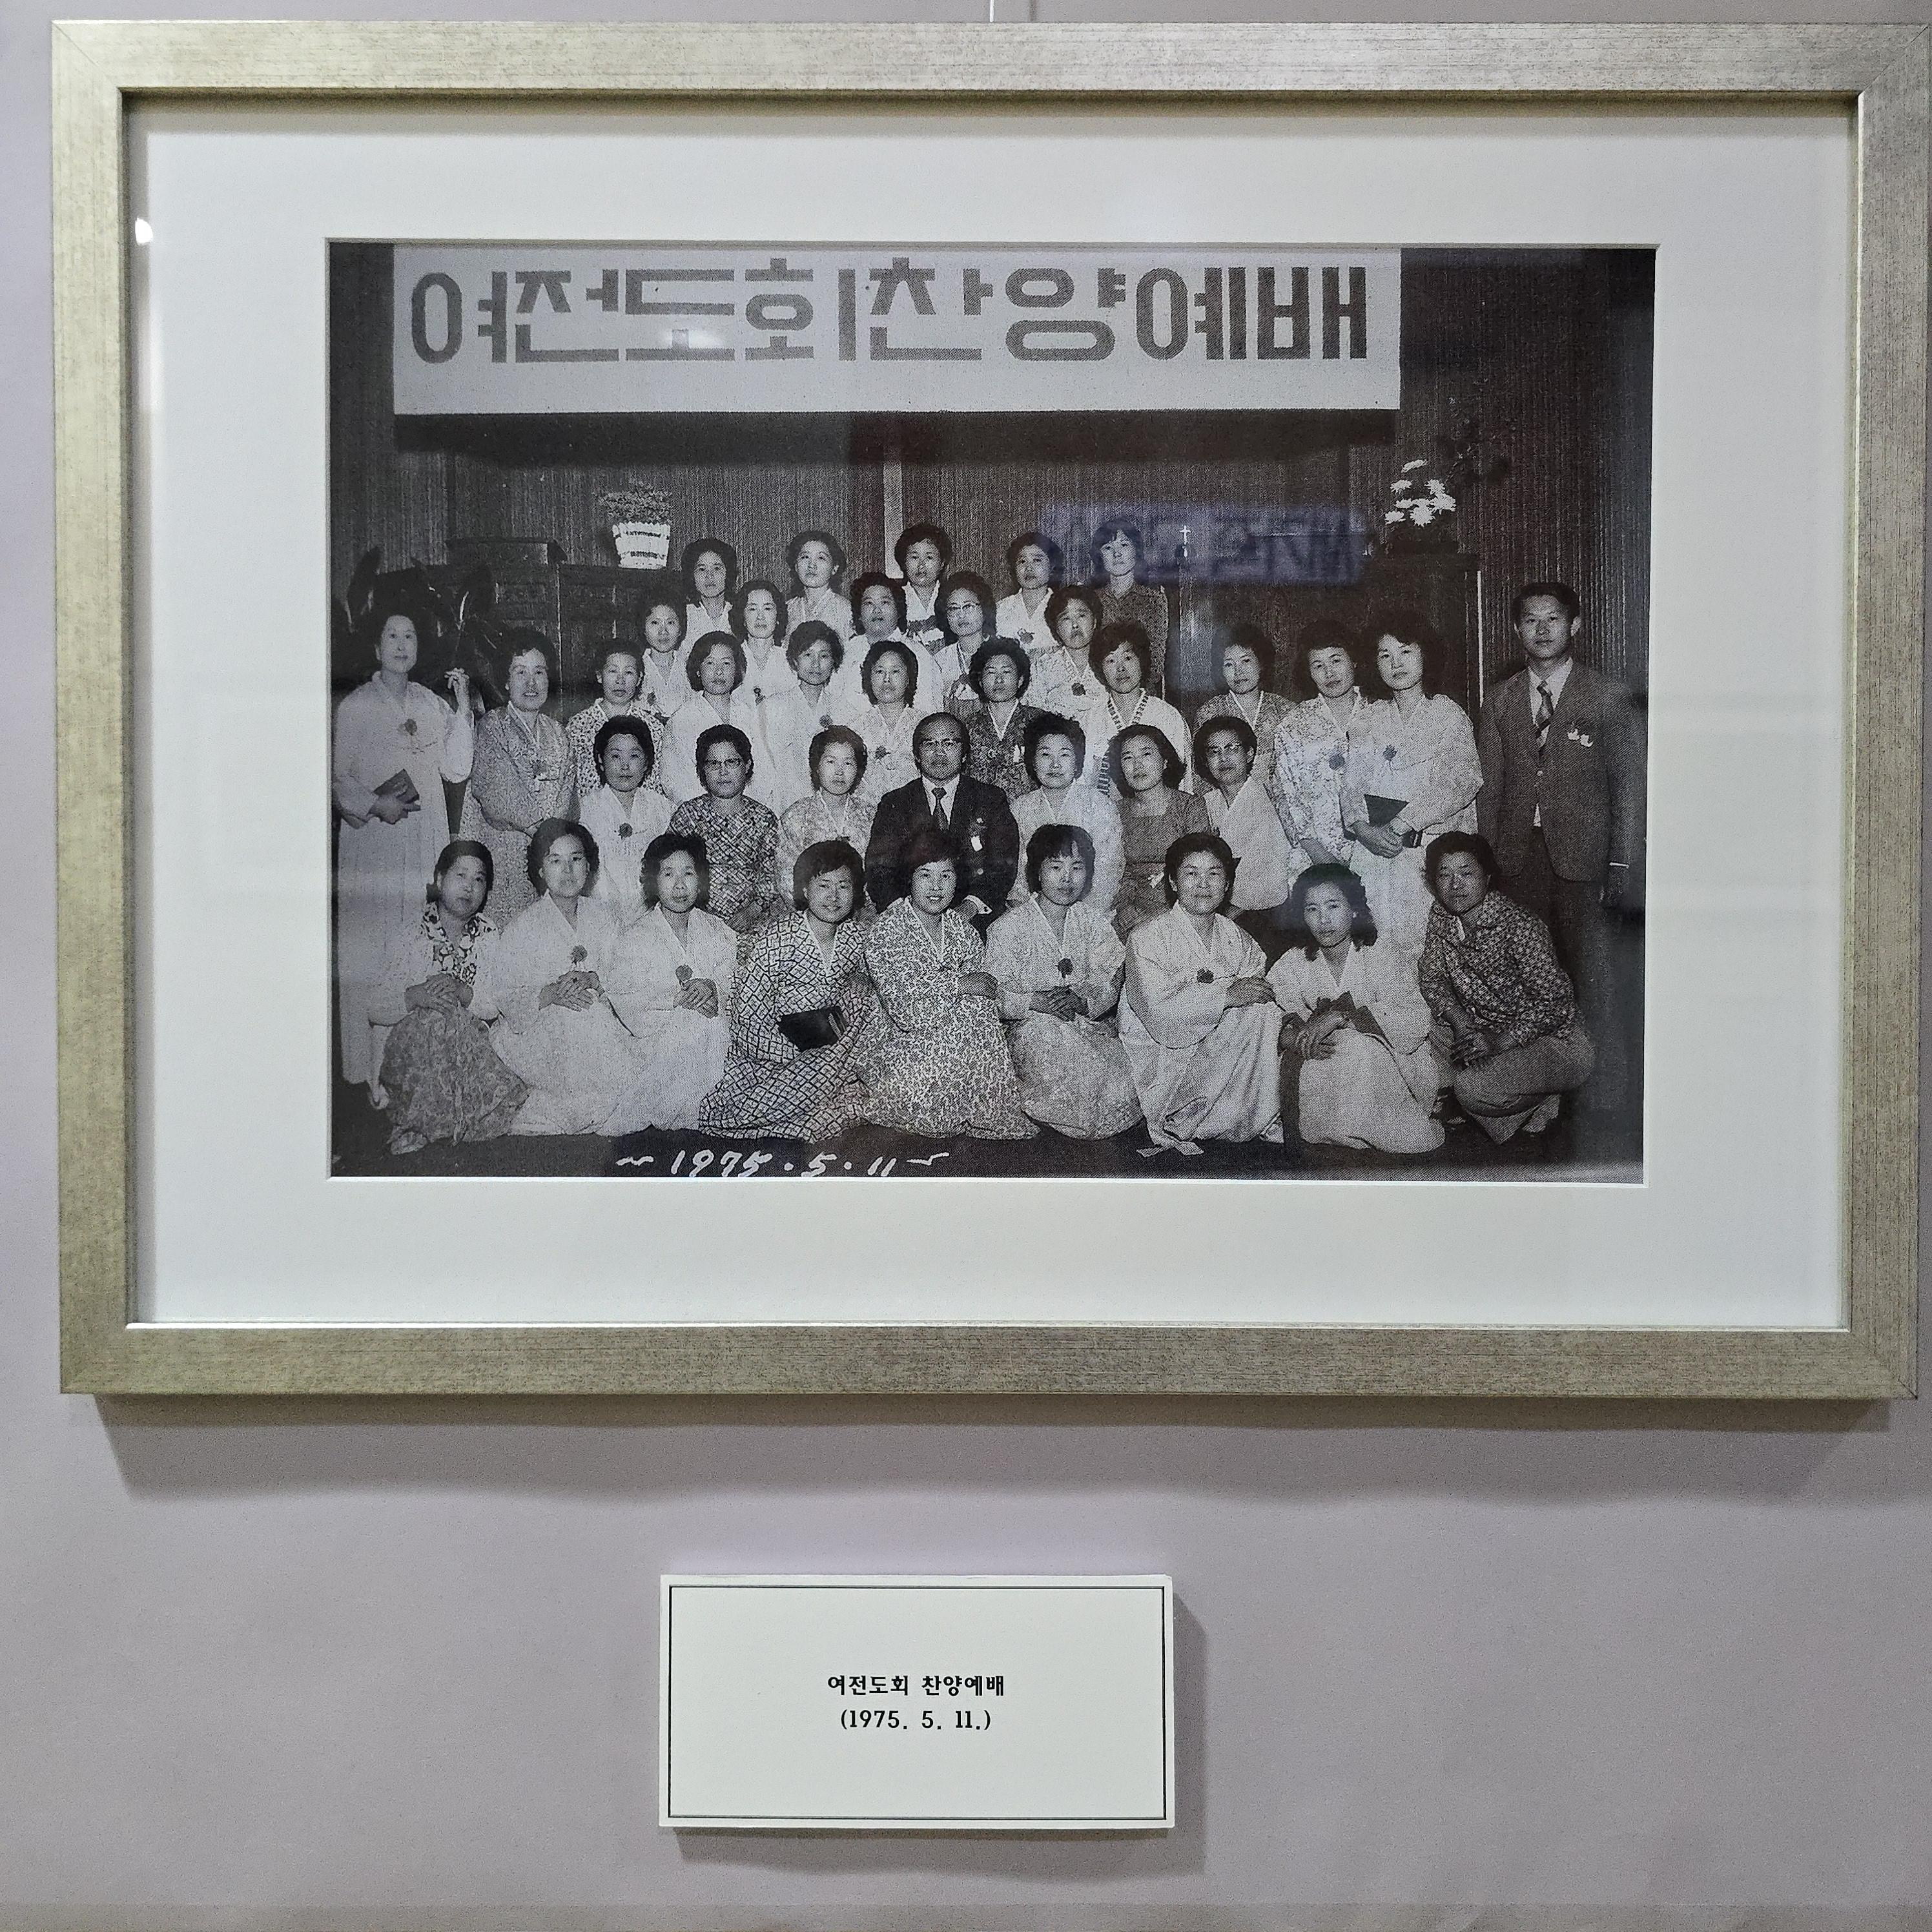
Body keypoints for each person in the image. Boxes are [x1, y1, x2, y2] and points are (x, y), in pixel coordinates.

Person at [1475, 579, 1646, 1108]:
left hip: (1586, 864)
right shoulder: (1500, 699)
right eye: (1531, 620)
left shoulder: (1608, 696)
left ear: (1575, 626)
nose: (1542, 629)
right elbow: (1489, 790)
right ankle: (1536, 1096)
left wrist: (1622, 864)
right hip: (1517, 861)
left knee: (1593, 978)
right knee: (1527, 981)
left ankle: (1606, 1099)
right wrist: (1487, 864)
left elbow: (1630, 787)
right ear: (1516, 630)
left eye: (1553, 619)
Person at [332, 605, 474, 1091]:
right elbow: (338, 778)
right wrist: (376, 804)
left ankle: (416, 1063)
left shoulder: (431, 704)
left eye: (409, 636)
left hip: (422, 840)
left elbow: (456, 768)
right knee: (373, 947)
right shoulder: (355, 706)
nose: (400, 645)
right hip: (375, 843)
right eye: (391, 636)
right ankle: (368, 1073)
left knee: (415, 942)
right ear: (376, 646)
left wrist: (462, 707)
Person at [861, 825, 1036, 1140]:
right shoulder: (886, 930)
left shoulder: (960, 927)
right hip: (903, 1044)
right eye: (925, 875)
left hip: (957, 1040)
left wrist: (971, 990)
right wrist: (960, 985)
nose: (936, 887)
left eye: (946, 875)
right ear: (909, 878)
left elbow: (985, 987)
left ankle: (979, 1105)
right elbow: (905, 1011)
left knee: (980, 1010)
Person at [699, 839, 881, 1141]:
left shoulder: (857, 937)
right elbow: (748, 1016)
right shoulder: (777, 939)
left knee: (867, 1002)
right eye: (824, 886)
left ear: (856, 891)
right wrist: (791, 1055)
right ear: (806, 890)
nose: (834, 897)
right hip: (776, 1056)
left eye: (843, 886)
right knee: (738, 1108)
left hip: (835, 1051)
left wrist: (861, 982)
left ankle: (816, 1102)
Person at [1418, 832, 1594, 1142]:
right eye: (1444, 875)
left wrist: (1499, 1043)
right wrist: (1462, 1024)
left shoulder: (1518, 925)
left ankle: (1542, 1096)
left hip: (1557, 1040)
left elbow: (1556, 1004)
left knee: (1471, 1089)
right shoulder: (1442, 915)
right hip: (1487, 1029)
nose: (1455, 885)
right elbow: (1432, 977)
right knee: (1419, 1025)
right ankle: (1518, 1100)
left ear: (1487, 877)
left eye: (1466, 873)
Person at [477, 819, 647, 1136]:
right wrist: (552, 993)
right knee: (575, 1020)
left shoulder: (607, 917)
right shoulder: (522, 927)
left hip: (602, 1024)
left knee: (594, 1020)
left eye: (576, 859)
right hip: (539, 1030)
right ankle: (565, 1108)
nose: (567, 870)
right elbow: (506, 993)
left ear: (589, 866)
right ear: (541, 870)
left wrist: (595, 980)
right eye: (555, 861)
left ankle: (589, 1107)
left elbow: (628, 975)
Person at [1118, 832, 1284, 1153]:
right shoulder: (1147, 937)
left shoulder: (1236, 937)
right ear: (1173, 882)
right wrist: (1226, 997)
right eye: (1191, 873)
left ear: (1227, 884)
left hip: (1223, 1045)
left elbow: (1256, 989)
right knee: (1248, 1011)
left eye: (1214, 874)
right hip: (1166, 1053)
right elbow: (1157, 1013)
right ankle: (1188, 1115)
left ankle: (1254, 1115)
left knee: (1263, 1012)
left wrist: (1238, 999)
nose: (1203, 884)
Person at [1267, 862, 1443, 1154]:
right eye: (1312, 909)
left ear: (1353, 909)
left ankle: (1375, 1126)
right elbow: (1273, 1016)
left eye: (1333, 906)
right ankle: (1333, 1128)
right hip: (1319, 1062)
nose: (1323, 920)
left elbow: (1414, 1020)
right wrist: (1296, 1038)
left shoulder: (1381, 955)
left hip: (1382, 1065)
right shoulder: (1294, 962)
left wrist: (1343, 1019)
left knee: (1355, 1046)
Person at [364, 839, 526, 1153]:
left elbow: (495, 1004)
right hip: (412, 1052)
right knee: (435, 1017)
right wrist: (416, 996)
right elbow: (375, 1007)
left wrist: (464, 992)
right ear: (439, 880)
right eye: (460, 876)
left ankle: (449, 1117)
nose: (469, 887)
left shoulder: (488, 934)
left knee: (454, 1018)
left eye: (479, 879)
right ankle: (419, 1121)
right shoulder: (411, 932)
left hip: (469, 1049)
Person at [1342, 608, 1482, 961]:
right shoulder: (1368, 719)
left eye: (1405, 651)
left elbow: (1462, 782)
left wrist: (1402, 823)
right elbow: (1352, 785)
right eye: (1385, 655)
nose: (1396, 663)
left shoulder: (1447, 715)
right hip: (1373, 853)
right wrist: (1361, 828)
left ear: (1425, 655)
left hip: (1427, 856)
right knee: (1372, 953)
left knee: (1427, 953)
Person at [984, 824, 1141, 1138]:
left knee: (1128, 1079)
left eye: (1077, 868)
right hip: (1033, 1030)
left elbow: (1112, 977)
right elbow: (995, 995)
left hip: (1086, 1025)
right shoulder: (1007, 927)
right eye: (1056, 867)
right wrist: (1035, 1001)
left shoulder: (1093, 922)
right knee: (1059, 1059)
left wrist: (1083, 1001)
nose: (1067, 878)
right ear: (1037, 871)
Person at [604, 832, 738, 1130]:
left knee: (708, 1027)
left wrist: (714, 990)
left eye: (688, 873)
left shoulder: (716, 929)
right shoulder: (635, 937)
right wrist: (676, 1001)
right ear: (653, 881)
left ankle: (708, 1109)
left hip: (715, 1035)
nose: (679, 885)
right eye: (668, 874)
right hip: (658, 1044)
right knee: (692, 1025)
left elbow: (735, 976)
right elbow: (627, 998)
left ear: (700, 880)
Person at [863, 710, 1020, 929]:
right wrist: (907, 915)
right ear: (917, 755)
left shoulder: (990, 799)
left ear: (964, 754)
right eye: (929, 744)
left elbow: (1002, 866)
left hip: (975, 919)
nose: (939, 753)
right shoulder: (895, 803)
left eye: (949, 744)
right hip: (907, 921)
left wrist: (968, 908)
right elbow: (879, 869)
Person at [457, 631, 571, 924]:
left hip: (549, 856)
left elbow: (567, 794)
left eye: (539, 672)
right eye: (520, 672)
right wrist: (543, 832)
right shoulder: (492, 727)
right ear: (506, 681)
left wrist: (552, 837)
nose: (531, 683)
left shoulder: (558, 733)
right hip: (504, 852)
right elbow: (496, 792)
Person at [1268, 617, 1366, 881]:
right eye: (1318, 665)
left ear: (1354, 661)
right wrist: (1323, 860)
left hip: (1378, 852)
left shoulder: (1381, 711)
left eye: (1336, 660)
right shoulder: (1292, 725)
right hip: (1315, 858)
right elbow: (1287, 798)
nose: (1329, 673)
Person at [667, 724, 783, 935]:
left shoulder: (763, 819)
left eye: (731, 762)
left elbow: (773, 876)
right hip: (695, 923)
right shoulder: (688, 816)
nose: (723, 772)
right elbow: (669, 870)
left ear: (747, 765)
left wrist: (752, 912)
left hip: (754, 924)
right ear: (702, 770)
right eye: (714, 764)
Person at [1195, 717, 1294, 957]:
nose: (1223, 758)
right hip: (1217, 907)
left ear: (1249, 754)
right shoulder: (1206, 804)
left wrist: (1220, 919)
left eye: (1232, 748)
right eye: (1214, 751)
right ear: (1206, 762)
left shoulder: (1268, 799)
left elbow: (1266, 874)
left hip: (1265, 914)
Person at [1009, 714, 1125, 916]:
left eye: (1064, 755)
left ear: (1077, 761)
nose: (1055, 764)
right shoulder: (1019, 809)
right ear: (1033, 762)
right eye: (1046, 755)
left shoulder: (1100, 806)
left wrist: (1080, 917)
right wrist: (1037, 916)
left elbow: (1107, 873)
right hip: (1031, 914)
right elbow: (1016, 876)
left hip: (1090, 913)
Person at [1110, 723, 1210, 938]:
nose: (1137, 765)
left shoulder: (1189, 807)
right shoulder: (1115, 812)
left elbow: (1198, 871)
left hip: (1181, 910)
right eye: (1128, 758)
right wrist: (1126, 910)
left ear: (1165, 760)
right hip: (1129, 911)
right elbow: (1115, 874)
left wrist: (1159, 915)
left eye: (1146, 754)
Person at [579, 715, 674, 927]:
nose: (624, 766)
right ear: (601, 761)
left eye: (634, 756)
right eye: (615, 756)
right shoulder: (585, 810)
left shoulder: (663, 809)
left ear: (647, 762)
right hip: (600, 919)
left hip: (652, 920)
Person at [1078, 621, 1190, 794]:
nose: (1121, 668)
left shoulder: (1168, 716)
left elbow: (1184, 782)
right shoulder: (1089, 721)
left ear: (1141, 661)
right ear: (1101, 670)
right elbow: (1081, 785)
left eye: (1128, 658)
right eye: (1111, 661)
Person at [823, 570, 941, 724]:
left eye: (885, 602)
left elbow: (928, 711)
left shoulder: (918, 653)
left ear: (898, 610)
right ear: (859, 614)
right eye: (869, 603)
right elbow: (832, 704)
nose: (877, 610)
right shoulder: (846, 652)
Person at [777, 724, 876, 907]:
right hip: (812, 913)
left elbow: (878, 873)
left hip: (863, 913)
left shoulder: (871, 815)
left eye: (848, 763)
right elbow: (787, 878)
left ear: (858, 770)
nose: (839, 771)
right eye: (831, 762)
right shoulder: (796, 816)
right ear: (816, 766)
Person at [664, 631, 763, 804]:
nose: (719, 671)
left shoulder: (750, 715)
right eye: (710, 663)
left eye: (726, 663)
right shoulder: (681, 719)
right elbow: (674, 780)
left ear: (736, 670)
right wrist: (711, 810)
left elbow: (761, 772)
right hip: (699, 812)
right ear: (698, 670)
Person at [1193, 623, 1292, 793]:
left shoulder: (1285, 710)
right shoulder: (1209, 713)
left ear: (1261, 663)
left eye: (1246, 661)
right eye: (1229, 665)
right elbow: (1201, 774)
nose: (1238, 672)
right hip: (1227, 802)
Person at [759, 619, 846, 811]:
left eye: (824, 656)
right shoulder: (772, 707)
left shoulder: (842, 710)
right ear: (795, 661)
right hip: (784, 805)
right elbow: (763, 768)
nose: (816, 664)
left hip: (829, 808)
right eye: (808, 655)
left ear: (834, 662)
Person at [564, 641, 664, 806]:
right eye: (613, 671)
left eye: (629, 673)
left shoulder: (653, 728)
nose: (620, 681)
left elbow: (656, 786)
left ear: (639, 678)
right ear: (599, 676)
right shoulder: (578, 726)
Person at [844, 639, 927, 814]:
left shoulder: (926, 725)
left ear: (909, 679)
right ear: (869, 678)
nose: (887, 679)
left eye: (895, 671)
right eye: (880, 671)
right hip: (867, 817)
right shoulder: (854, 729)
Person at [1090, 518, 1171, 693]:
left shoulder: (1154, 601)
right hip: (1096, 692)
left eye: (1124, 545)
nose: (1117, 554)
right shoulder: (1091, 601)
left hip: (1141, 693)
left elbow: (1156, 663)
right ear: (1100, 557)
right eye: (1108, 548)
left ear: (1136, 550)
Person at [961, 639, 1044, 799]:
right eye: (991, 673)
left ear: (1020, 680)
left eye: (1006, 672)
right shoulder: (967, 726)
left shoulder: (1040, 722)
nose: (999, 680)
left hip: (1027, 809)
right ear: (981, 681)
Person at [1028, 584, 1105, 717]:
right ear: (1056, 629)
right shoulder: (1042, 669)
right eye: (1066, 619)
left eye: (1081, 616)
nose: (1075, 625)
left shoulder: (1110, 662)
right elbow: (1034, 716)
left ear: (1094, 622)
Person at [930, 570, 1001, 713]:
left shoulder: (1002, 653)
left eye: (968, 606)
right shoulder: (940, 661)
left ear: (984, 609)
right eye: (953, 608)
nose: (961, 615)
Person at [730, 577, 800, 710]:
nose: (760, 617)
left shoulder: (791, 661)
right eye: (753, 609)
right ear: (742, 617)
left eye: (767, 609)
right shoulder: (732, 659)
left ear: (778, 616)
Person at [632, 576, 694, 726]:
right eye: (655, 623)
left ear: (681, 629)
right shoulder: (634, 668)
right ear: (643, 629)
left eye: (670, 623)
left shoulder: (691, 667)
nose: (663, 631)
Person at [994, 531, 1064, 654]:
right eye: (1022, 561)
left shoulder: (1063, 608)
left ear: (1052, 567)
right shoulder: (1000, 610)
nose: (1029, 568)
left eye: (1037, 560)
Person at [894, 521, 952, 652]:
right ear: (904, 562)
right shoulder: (894, 599)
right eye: (914, 557)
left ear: (942, 563)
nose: (921, 565)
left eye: (929, 558)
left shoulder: (952, 597)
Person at [785, 528, 854, 637]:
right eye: (805, 557)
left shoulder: (847, 611)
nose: (812, 565)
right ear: (796, 566)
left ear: (834, 568)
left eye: (821, 558)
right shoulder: (787, 610)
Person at [681, 535, 738, 645]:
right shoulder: (683, 615)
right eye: (702, 569)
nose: (709, 576)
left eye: (717, 568)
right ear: (692, 575)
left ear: (728, 573)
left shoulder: (739, 613)